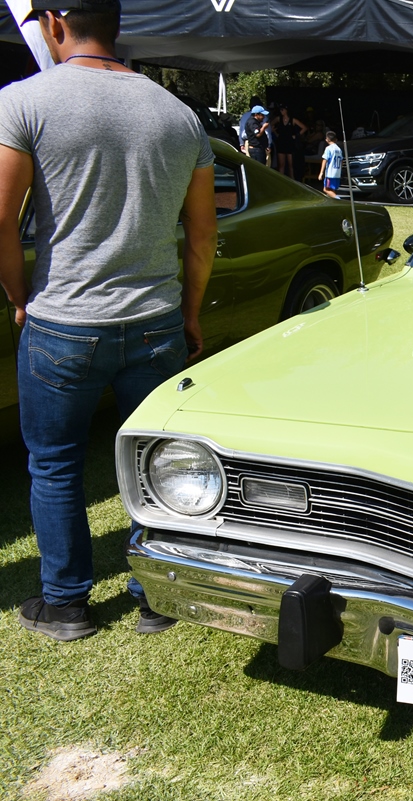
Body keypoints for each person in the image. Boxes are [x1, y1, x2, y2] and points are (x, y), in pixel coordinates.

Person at [0, 0, 217, 641]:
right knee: (154, 457)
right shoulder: (178, 114)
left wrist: (19, 295)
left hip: (63, 321)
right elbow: (202, 237)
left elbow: (0, 219)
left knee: (56, 462)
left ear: (56, 23)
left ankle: (66, 603)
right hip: (155, 321)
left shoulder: (23, 101)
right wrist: (190, 313)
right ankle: (154, 592)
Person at [274, 105, 307, 180]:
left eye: (283, 109)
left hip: (290, 143)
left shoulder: (293, 120)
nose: (281, 111)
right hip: (281, 142)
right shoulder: (279, 119)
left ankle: (292, 180)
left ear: (286, 110)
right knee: (281, 165)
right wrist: (275, 133)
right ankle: (281, 180)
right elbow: (271, 124)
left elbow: (304, 128)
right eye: (280, 109)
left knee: (291, 165)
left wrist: (297, 135)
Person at [318, 130, 342, 199]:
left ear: (327, 139)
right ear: (336, 140)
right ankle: (334, 202)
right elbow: (341, 160)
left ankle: (338, 199)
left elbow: (325, 160)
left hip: (330, 173)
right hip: (337, 172)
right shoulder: (339, 149)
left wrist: (321, 173)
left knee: (326, 189)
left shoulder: (328, 148)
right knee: (332, 189)